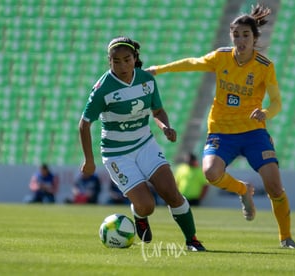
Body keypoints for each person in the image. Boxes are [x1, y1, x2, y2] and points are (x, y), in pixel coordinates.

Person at [146, 4, 295, 249]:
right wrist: (158, 69)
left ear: (255, 37)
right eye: (236, 35)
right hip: (221, 131)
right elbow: (193, 62)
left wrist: (265, 112)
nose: (240, 40)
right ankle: (243, 190)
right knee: (210, 172)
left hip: (253, 133)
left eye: (246, 35)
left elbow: (277, 102)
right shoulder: (221, 57)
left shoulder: (264, 66)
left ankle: (286, 238)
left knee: (274, 186)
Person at [79, 36, 206, 251]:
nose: (122, 65)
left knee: (171, 193)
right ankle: (140, 215)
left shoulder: (147, 80)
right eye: (115, 61)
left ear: (135, 58)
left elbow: (157, 111)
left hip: (145, 145)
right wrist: (89, 160)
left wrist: (165, 126)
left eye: (126, 59)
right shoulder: (102, 89)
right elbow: (84, 124)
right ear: (109, 61)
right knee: (147, 205)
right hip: (117, 154)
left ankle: (192, 240)